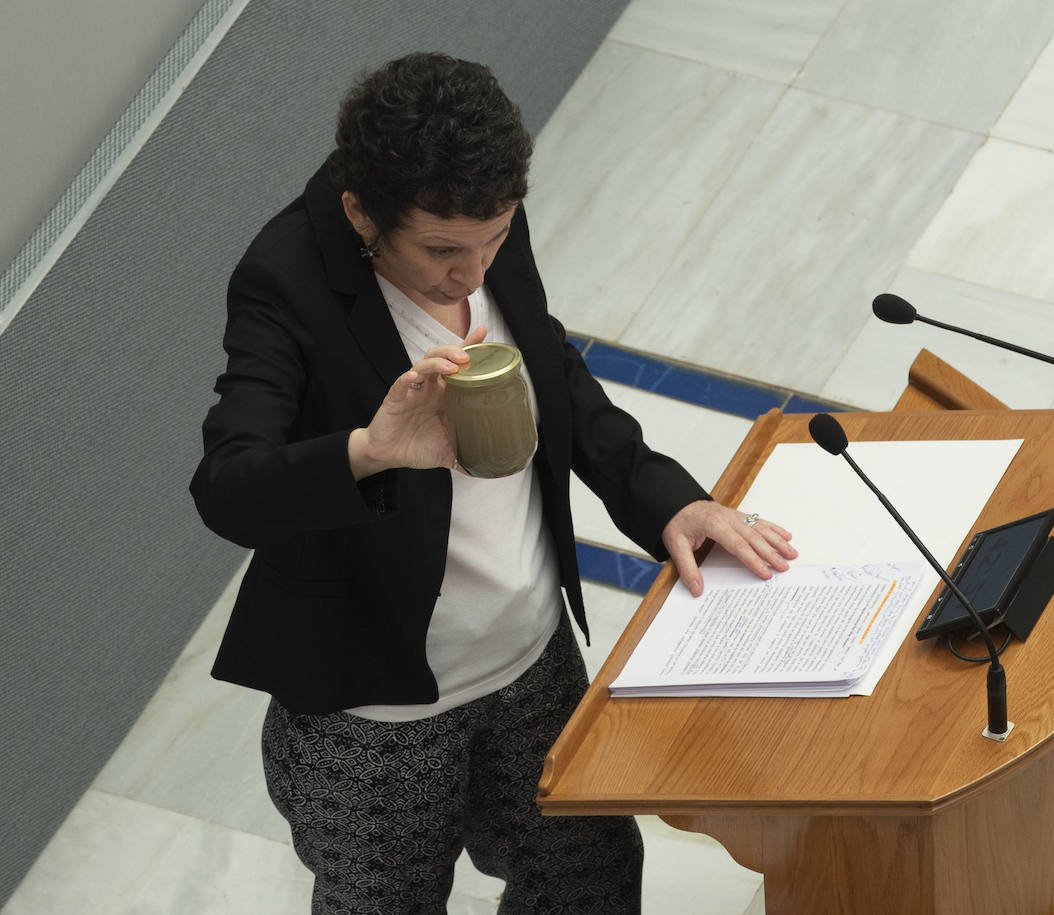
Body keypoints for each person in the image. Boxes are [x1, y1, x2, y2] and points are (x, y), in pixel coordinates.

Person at [189, 52, 797, 914]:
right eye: (441, 251)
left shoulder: (477, 214)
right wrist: (367, 448)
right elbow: (228, 485)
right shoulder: (284, 280)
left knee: (590, 887)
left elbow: (552, 369)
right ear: (363, 213)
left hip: (532, 661)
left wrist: (669, 498)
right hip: (376, 715)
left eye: (496, 241)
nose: (472, 274)